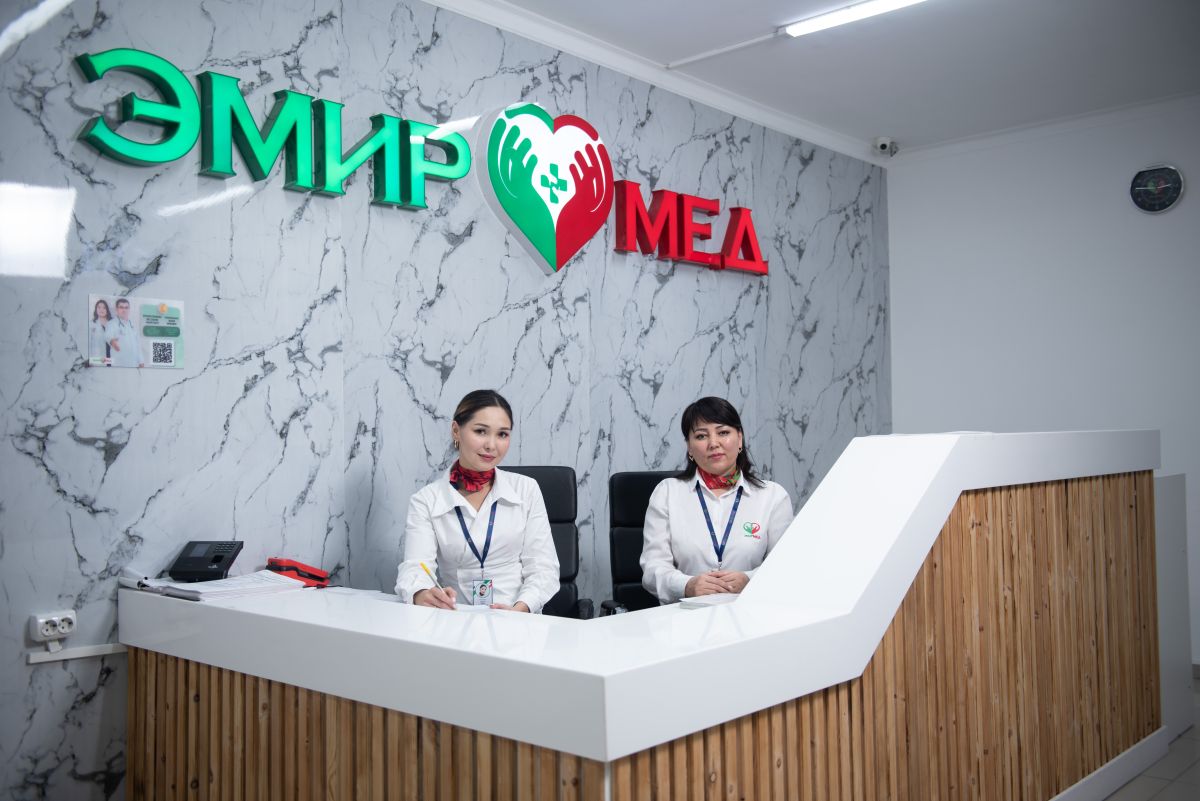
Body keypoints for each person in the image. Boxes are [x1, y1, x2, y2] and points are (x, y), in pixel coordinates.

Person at [396, 389, 560, 612]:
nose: (492, 445)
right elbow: (415, 568)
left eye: (502, 434)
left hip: (519, 619)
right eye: (481, 431)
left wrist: (519, 610)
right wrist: (422, 593)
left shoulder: (526, 489)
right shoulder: (426, 500)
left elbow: (544, 569)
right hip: (457, 618)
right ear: (456, 431)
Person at [641, 396, 794, 604]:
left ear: (739, 439)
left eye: (723, 432)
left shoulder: (773, 496)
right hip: (684, 617)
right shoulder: (667, 493)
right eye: (701, 436)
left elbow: (785, 565)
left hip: (750, 613)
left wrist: (749, 580)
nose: (714, 443)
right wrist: (687, 585)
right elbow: (653, 568)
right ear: (689, 447)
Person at [106, 298, 143, 368]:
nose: (124, 310)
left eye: (126, 308)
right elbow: (107, 336)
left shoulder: (133, 325)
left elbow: (138, 345)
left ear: (129, 309)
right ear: (116, 309)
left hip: (134, 363)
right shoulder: (111, 324)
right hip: (119, 364)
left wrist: (141, 361)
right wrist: (112, 341)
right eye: (121, 307)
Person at [89, 299, 112, 364]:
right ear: (96, 310)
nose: (101, 310)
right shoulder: (92, 324)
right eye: (99, 307)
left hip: (112, 358)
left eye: (104, 308)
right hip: (99, 359)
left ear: (107, 310)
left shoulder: (113, 323)